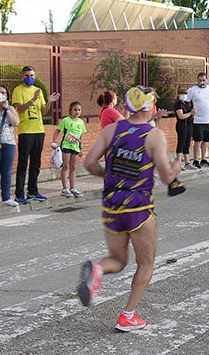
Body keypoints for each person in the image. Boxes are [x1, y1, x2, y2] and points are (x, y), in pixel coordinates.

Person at [77, 86, 182, 332]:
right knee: (146, 263)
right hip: (139, 207)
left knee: (117, 259)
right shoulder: (154, 135)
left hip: (111, 204)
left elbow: (89, 163)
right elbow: (167, 177)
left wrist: (107, 175)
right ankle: (128, 315)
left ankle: (97, 269)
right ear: (151, 108)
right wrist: (177, 166)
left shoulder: (111, 130)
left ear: (127, 106)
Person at [12, 66, 58, 204]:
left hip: (39, 130)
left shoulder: (38, 91)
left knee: (35, 163)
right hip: (26, 131)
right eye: (27, 75)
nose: (29, 78)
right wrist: (32, 99)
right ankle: (19, 194)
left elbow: (44, 111)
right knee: (23, 163)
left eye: (32, 75)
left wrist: (49, 101)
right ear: (22, 76)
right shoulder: (18, 90)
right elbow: (19, 108)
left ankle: (33, 191)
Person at [55, 101, 87, 197]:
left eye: (79, 110)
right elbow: (57, 131)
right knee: (65, 166)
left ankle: (73, 188)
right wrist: (54, 142)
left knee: (73, 167)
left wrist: (80, 148)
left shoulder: (81, 122)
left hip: (75, 147)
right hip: (66, 146)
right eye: (75, 110)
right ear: (70, 110)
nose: (77, 112)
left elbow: (80, 136)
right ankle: (65, 188)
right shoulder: (66, 120)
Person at [186, 71, 209, 169]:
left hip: (208, 119)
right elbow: (186, 102)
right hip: (198, 120)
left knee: (205, 141)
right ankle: (195, 160)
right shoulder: (192, 90)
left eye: (203, 80)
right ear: (197, 80)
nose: (202, 82)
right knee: (197, 141)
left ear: (206, 80)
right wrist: (191, 111)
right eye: (200, 80)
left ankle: (204, 159)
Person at [172, 85, 193, 165]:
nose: (183, 95)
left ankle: (187, 162)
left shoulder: (187, 104)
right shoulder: (178, 104)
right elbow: (181, 116)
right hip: (182, 126)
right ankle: (178, 162)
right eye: (182, 94)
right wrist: (190, 113)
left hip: (189, 125)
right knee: (181, 142)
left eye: (185, 94)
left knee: (187, 143)